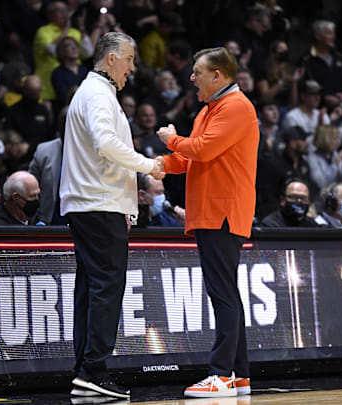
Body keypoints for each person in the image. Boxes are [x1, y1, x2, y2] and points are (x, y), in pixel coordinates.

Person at [60, 32, 164, 399]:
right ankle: (94, 369)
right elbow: (106, 143)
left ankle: (84, 370)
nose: (132, 68)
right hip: (99, 205)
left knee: (90, 289)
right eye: (129, 60)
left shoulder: (92, 93)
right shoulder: (97, 94)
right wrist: (148, 165)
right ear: (110, 59)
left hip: (90, 203)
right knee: (105, 289)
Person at [157, 46, 258, 398]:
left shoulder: (236, 107)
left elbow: (201, 149)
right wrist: (161, 164)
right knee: (227, 293)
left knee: (222, 294)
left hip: (222, 214)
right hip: (214, 213)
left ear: (218, 75)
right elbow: (190, 158)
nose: (191, 78)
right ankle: (239, 375)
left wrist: (170, 138)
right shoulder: (211, 109)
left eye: (197, 71)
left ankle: (221, 374)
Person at [28, 138, 64, 225]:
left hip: (85, 223)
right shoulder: (44, 150)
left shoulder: (97, 148)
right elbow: (28, 186)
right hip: (48, 222)